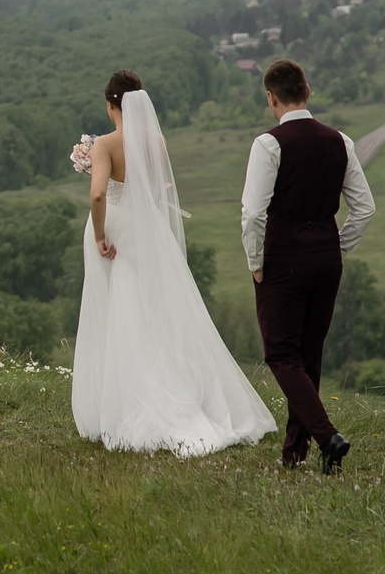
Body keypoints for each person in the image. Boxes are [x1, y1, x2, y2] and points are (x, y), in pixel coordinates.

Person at [71, 70, 276, 456]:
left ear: (111, 103)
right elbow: (156, 190)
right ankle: (178, 386)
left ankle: (123, 400)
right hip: (148, 234)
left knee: (116, 309)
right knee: (155, 310)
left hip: (117, 230)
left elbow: (98, 193)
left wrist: (99, 234)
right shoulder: (158, 142)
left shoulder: (106, 145)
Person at [241, 58, 377, 473]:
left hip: (282, 261)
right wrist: (338, 248)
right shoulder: (341, 141)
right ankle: (294, 454)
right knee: (308, 355)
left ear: (270, 97)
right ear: (308, 91)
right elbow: (365, 208)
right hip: (326, 259)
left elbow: (253, 214)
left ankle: (326, 436)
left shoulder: (268, 144)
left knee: (282, 354)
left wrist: (255, 262)